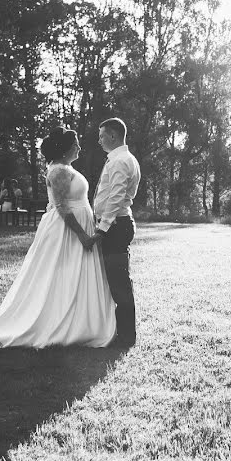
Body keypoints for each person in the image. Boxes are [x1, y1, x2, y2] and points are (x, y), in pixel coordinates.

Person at [0, 127, 116, 348]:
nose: (79, 147)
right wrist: (81, 235)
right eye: (76, 144)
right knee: (60, 275)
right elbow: (61, 206)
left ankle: (82, 319)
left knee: (73, 274)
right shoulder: (59, 171)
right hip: (67, 231)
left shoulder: (64, 168)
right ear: (66, 148)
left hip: (77, 225)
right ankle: (60, 321)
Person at [89, 117, 141, 347]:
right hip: (118, 224)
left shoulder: (120, 161)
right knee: (117, 280)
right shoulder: (122, 159)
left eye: (101, 136)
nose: (99, 141)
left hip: (116, 227)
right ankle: (119, 331)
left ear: (112, 136)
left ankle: (127, 337)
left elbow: (116, 196)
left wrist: (102, 229)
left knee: (119, 283)